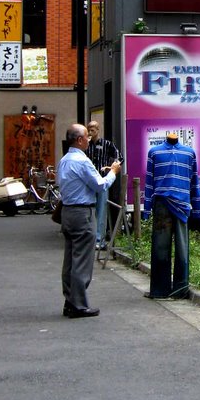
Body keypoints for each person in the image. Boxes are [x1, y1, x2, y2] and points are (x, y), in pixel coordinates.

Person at [56, 124, 121, 318]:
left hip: (67, 211)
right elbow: (100, 185)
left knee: (70, 259)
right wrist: (113, 172)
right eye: (86, 136)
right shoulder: (82, 161)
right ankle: (79, 304)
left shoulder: (64, 160)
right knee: (82, 260)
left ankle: (69, 300)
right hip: (82, 212)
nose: (89, 139)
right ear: (79, 140)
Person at [143, 131, 200, 299]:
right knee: (160, 248)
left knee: (181, 249)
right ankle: (161, 290)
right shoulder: (154, 152)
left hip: (181, 205)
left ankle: (178, 290)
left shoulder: (190, 153)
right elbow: (149, 182)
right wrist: (146, 209)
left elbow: (194, 182)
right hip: (163, 204)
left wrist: (197, 209)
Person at [86, 121, 121, 250]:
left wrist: (110, 167)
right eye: (88, 129)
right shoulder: (86, 145)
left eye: (93, 129)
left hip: (101, 180)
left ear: (98, 129)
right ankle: (90, 237)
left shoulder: (107, 144)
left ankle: (99, 239)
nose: (90, 132)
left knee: (101, 210)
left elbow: (119, 157)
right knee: (89, 209)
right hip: (88, 181)